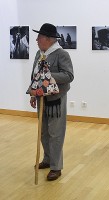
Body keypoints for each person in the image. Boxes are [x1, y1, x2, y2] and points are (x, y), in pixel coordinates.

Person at [28, 23, 74, 181]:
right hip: (41, 99)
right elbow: (35, 76)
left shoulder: (62, 54)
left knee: (55, 134)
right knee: (43, 133)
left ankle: (56, 167)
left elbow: (69, 76)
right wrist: (33, 94)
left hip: (56, 100)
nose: (36, 39)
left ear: (49, 39)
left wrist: (48, 75)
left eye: (39, 37)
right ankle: (47, 160)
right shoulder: (38, 54)